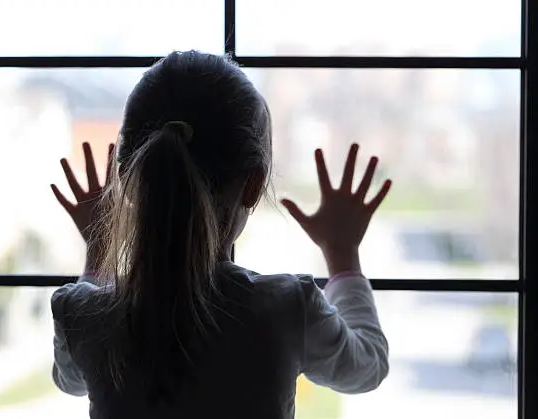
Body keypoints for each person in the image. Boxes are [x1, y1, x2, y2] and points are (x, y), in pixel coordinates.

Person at [50, 50, 392, 419]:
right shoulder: (287, 309)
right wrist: (341, 252)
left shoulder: (81, 316)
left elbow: (70, 379)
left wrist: (98, 250)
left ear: (127, 181)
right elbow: (367, 365)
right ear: (254, 185)